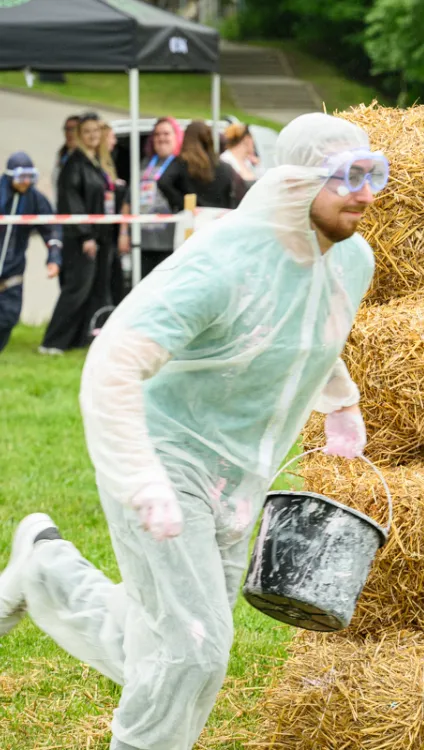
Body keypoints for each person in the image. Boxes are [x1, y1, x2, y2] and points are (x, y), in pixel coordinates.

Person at [0, 113, 388, 749]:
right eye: (347, 178)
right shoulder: (223, 259)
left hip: (241, 475)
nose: (367, 195)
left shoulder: (351, 260)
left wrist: (340, 401)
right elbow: (115, 359)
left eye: (373, 175)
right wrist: (139, 475)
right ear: (296, 181)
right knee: (194, 649)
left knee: (155, 636)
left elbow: (304, 327)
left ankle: (44, 569)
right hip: (164, 455)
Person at [40, 114, 118, 354]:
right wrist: (86, 236)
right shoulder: (74, 164)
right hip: (81, 239)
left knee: (95, 290)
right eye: (87, 132)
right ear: (79, 136)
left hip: (102, 237)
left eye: (96, 130)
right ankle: (52, 342)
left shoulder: (99, 162)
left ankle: (80, 339)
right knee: (77, 289)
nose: (93, 135)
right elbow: (71, 203)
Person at [0, 153, 62, 354]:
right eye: (21, 177)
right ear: (10, 176)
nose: (26, 182)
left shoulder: (35, 199)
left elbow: (51, 228)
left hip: (12, 274)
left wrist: (53, 258)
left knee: (8, 318)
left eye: (30, 176)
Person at [138, 117, 184, 280]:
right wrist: (124, 233)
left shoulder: (181, 164)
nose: (161, 138)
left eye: (166, 133)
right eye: (157, 134)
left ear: (176, 136)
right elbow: (130, 199)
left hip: (170, 241)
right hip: (143, 240)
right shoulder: (145, 163)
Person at [159, 120, 238, 213]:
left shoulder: (181, 163)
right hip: (219, 219)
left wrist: (181, 204)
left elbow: (163, 182)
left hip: (192, 218)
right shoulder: (225, 167)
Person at [101, 123, 131, 306]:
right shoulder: (101, 166)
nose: (115, 142)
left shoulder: (110, 164)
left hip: (112, 231)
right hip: (105, 234)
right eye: (112, 137)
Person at [52, 114, 81, 198]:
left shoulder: (85, 158)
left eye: (73, 129)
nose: (69, 133)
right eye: (67, 129)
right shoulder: (62, 154)